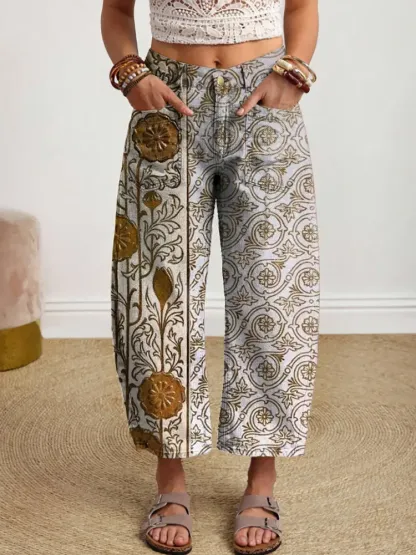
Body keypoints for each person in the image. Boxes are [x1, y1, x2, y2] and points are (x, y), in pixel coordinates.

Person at [101, 0, 320, 553]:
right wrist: (132, 75)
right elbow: (117, 11)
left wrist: (294, 70)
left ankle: (262, 480)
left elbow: (302, 6)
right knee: (156, 294)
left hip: (264, 97)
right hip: (167, 101)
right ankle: (170, 479)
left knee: (272, 291)